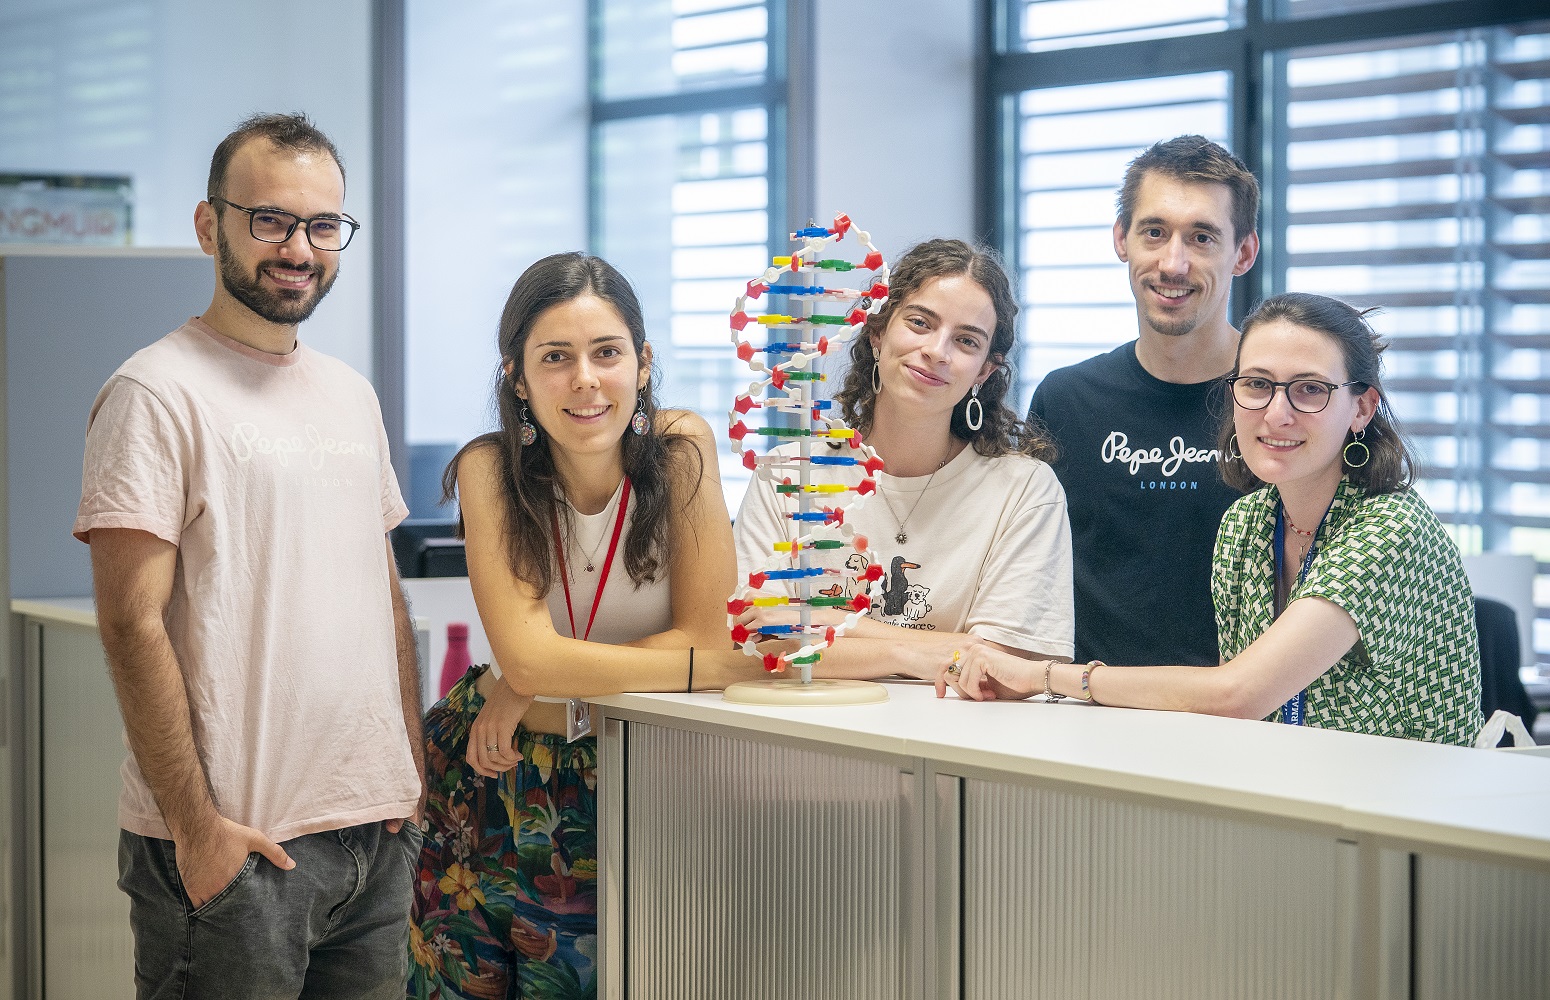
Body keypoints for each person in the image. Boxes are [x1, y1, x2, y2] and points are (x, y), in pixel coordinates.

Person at [74, 113, 423, 999]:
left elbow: (382, 599)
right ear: (209, 225)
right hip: (237, 854)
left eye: (321, 226)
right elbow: (129, 619)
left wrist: (406, 779)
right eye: (269, 219)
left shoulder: (351, 395)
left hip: (371, 844)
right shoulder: (155, 392)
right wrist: (197, 832)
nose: (298, 248)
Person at [411, 253, 760, 998]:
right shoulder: (487, 468)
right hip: (486, 777)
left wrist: (537, 678)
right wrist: (525, 672)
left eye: (607, 353)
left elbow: (707, 635)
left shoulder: (682, 449)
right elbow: (542, 658)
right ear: (517, 374)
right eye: (555, 358)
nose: (585, 380)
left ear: (643, 361)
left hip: (637, 772)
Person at [944, 292, 1482, 746]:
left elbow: (1238, 696)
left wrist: (1042, 676)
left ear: (1362, 409)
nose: (1277, 413)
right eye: (1257, 384)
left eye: (1310, 389)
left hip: (1407, 831)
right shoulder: (1248, 524)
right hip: (1291, 801)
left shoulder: (1394, 530)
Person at [733, 239, 1073, 678]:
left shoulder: (1025, 490)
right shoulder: (787, 475)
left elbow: (1013, 665)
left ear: (984, 371)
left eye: (967, 341)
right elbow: (758, 644)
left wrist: (833, 624)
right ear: (877, 332)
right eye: (919, 323)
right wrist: (911, 654)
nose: (937, 350)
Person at [1028, 135, 1260, 666]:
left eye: (1202, 238)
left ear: (1243, 252)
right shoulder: (1065, 402)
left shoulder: (1283, 407)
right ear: (1121, 240)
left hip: (1248, 718)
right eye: (1154, 232)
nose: (1173, 263)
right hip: (1092, 713)